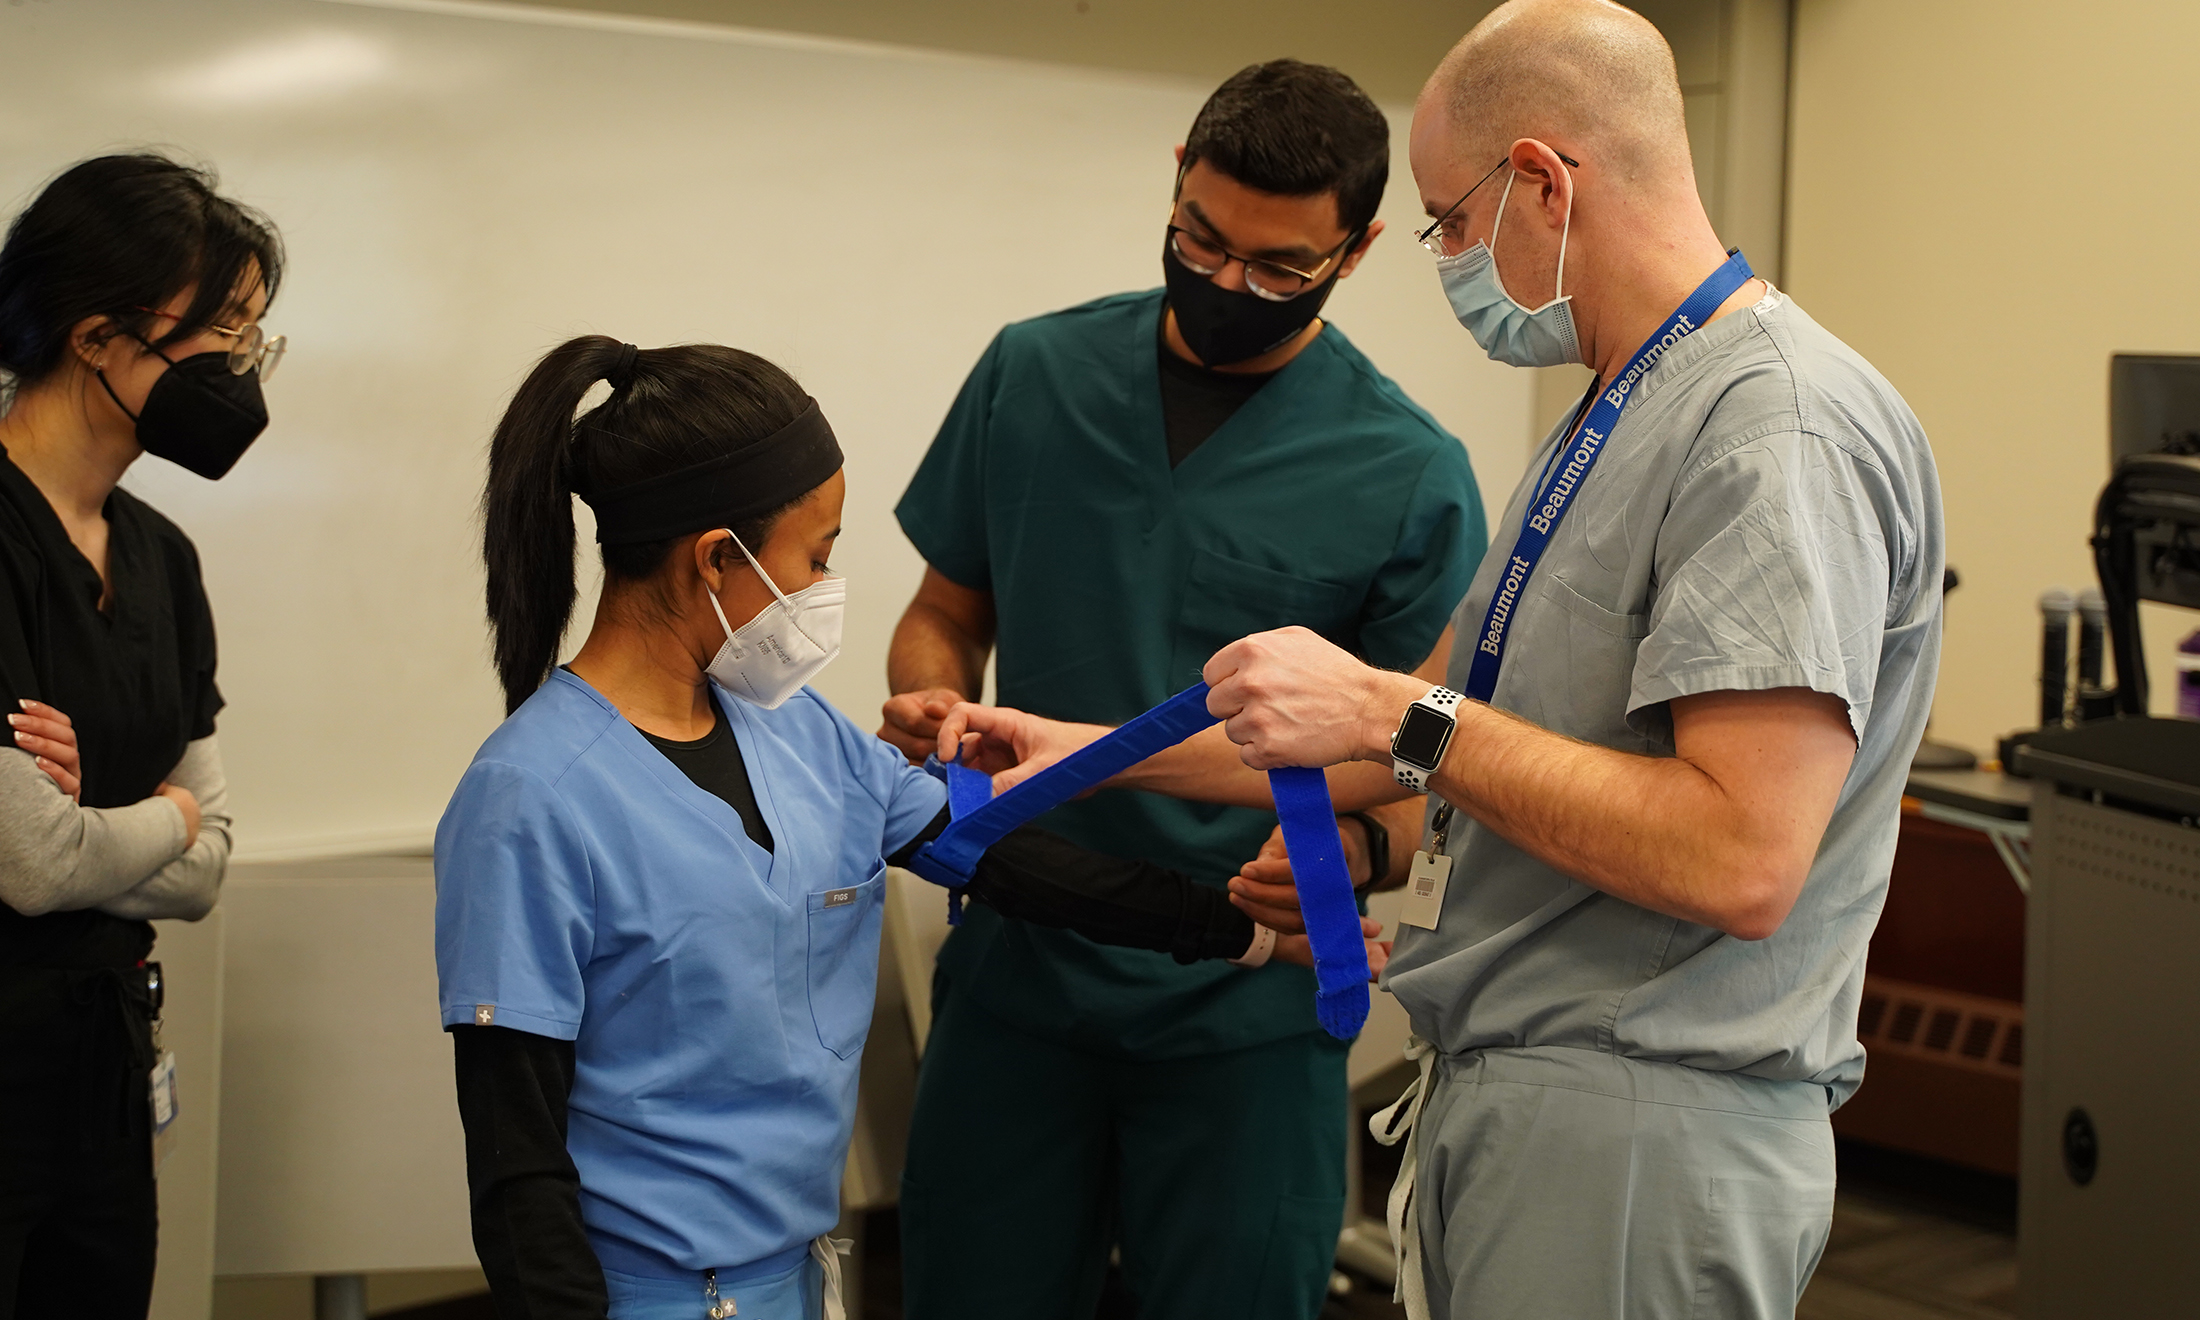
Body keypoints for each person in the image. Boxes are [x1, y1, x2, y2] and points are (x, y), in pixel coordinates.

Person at [943, 3, 1944, 1316]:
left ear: (1541, 179)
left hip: (1642, 1117)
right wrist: (1079, 752)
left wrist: (1386, 707)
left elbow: (1739, 857)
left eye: (1450, 223)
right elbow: (1370, 735)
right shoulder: (1620, 410)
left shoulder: (1774, 431)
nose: (1452, 259)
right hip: (1516, 1089)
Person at [435, 336, 1378, 1320]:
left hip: (791, 1276)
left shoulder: (797, 735)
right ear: (717, 557)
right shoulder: (530, 800)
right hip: (639, 1295)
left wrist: (1253, 931)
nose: (824, 586)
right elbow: (516, 1162)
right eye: (815, 556)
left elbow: (1022, 868)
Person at [883, 58, 1487, 1320]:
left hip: (1246, 996)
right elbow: (944, 613)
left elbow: (1421, 748)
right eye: (1201, 242)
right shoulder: (1033, 375)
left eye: (1278, 268)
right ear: (1175, 185)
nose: (1226, 286)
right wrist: (934, 705)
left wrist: (1365, 847)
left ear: (1356, 250)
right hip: (1022, 964)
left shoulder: (1405, 470)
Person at [0, 154, 282, 1319]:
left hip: (106, 1066)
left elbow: (208, 862)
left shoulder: (163, 557)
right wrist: (159, 811)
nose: (242, 367)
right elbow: (30, 864)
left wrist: (133, 821)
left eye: (257, 335)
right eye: (222, 329)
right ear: (100, 336)